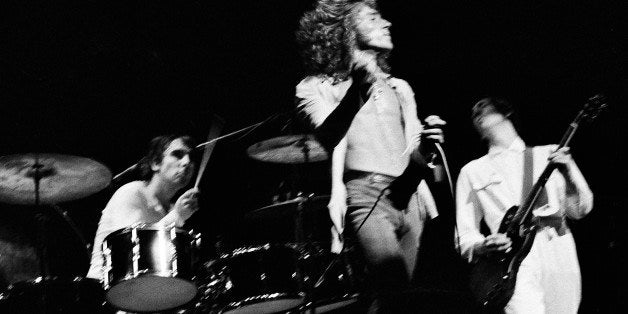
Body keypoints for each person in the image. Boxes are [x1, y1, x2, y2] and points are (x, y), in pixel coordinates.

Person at [295, 1, 444, 312]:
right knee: (396, 291)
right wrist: (358, 90)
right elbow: (330, 135)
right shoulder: (315, 87)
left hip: (410, 197)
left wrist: (428, 149)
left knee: (393, 298)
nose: (387, 22)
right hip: (366, 196)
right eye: (374, 18)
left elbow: (415, 157)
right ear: (347, 29)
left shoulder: (400, 88)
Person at [455, 97, 593, 313]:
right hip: (513, 260)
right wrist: (484, 246)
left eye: (485, 106)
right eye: (474, 112)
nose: (477, 109)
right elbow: (465, 236)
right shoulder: (472, 171)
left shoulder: (549, 153)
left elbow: (580, 209)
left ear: (506, 113)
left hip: (558, 249)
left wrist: (569, 172)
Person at [87, 135, 200, 280]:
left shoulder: (172, 209)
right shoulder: (131, 193)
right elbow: (130, 258)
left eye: (191, 157)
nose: (187, 162)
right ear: (155, 163)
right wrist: (177, 216)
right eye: (178, 155)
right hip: (103, 294)